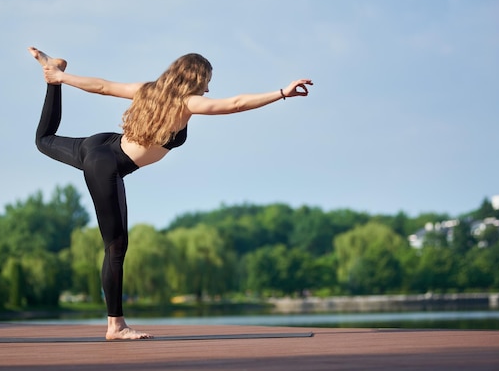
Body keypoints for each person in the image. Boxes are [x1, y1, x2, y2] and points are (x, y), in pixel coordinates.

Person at [28, 46, 313, 340]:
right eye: (206, 80)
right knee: (115, 247)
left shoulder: (147, 90)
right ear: (195, 79)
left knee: (44, 140)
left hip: (100, 144)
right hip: (105, 165)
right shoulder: (187, 104)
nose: (208, 87)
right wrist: (281, 92)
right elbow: (236, 104)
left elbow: (102, 87)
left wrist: (62, 77)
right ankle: (116, 326)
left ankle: (51, 79)